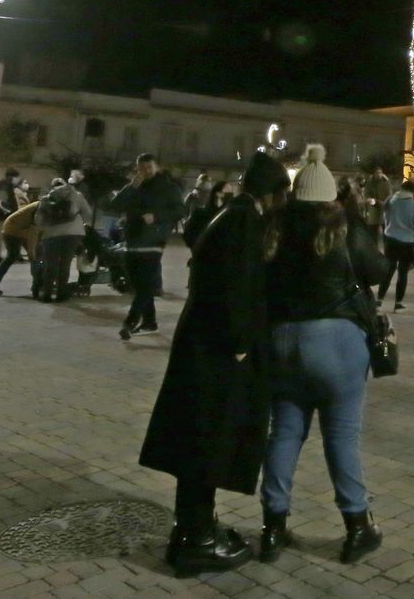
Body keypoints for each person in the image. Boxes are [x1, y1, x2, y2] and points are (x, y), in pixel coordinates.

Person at [140, 152, 289, 577]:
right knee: (208, 440)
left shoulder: (231, 214)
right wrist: (241, 343)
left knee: (199, 441)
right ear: (274, 193)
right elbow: (237, 284)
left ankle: (194, 527)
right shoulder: (245, 222)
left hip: (203, 347)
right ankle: (196, 539)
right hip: (217, 354)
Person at [261, 168, 390, 567]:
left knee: (285, 431)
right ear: (330, 194)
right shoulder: (342, 225)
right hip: (337, 341)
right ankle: (357, 525)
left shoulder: (275, 226)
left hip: (282, 338)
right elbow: (378, 271)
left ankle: (273, 526)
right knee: (341, 435)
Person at [111, 153, 186, 340]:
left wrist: (157, 216)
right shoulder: (135, 187)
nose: (145, 171)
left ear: (156, 167)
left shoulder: (168, 188)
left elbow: (180, 210)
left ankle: (130, 322)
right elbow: (115, 204)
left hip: (153, 242)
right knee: (139, 286)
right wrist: (131, 186)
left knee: (145, 286)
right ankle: (150, 322)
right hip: (132, 241)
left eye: (149, 167)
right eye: (141, 168)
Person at [37, 176, 94, 303]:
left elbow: (38, 220)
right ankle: (61, 294)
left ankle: (46, 294)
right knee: (65, 264)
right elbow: (88, 213)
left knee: (50, 265)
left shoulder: (46, 198)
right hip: (72, 234)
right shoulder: (76, 195)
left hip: (51, 235)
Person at [379, 181, 414, 311]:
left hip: (390, 240)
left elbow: (385, 218)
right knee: (402, 272)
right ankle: (398, 303)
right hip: (407, 242)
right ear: (413, 192)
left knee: (388, 271)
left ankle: (379, 301)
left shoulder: (391, 201)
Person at [0, 199, 43, 297]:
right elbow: (34, 233)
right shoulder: (40, 209)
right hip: (12, 230)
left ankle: (38, 283)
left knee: (36, 254)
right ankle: (38, 284)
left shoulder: (42, 205)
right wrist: (31, 253)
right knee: (15, 256)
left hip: (19, 228)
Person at [183, 181, 231, 252]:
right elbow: (189, 236)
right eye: (228, 193)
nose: (230, 196)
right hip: (204, 257)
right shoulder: (200, 214)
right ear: (218, 194)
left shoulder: (230, 215)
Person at [0, 168, 24, 263]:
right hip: (6, 216)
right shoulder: (5, 184)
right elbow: (1, 200)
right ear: (12, 176)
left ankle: (3, 256)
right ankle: (1, 256)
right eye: (16, 177)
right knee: (11, 236)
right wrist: (9, 212)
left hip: (6, 215)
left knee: (8, 236)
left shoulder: (9, 185)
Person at [362, 166, 392, 244]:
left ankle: (387, 249)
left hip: (384, 207)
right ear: (374, 174)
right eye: (377, 173)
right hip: (373, 207)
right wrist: (369, 200)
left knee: (386, 230)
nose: (379, 174)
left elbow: (389, 194)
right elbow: (366, 194)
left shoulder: (386, 182)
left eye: (380, 173)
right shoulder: (370, 183)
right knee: (373, 231)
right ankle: (373, 249)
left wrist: (385, 202)